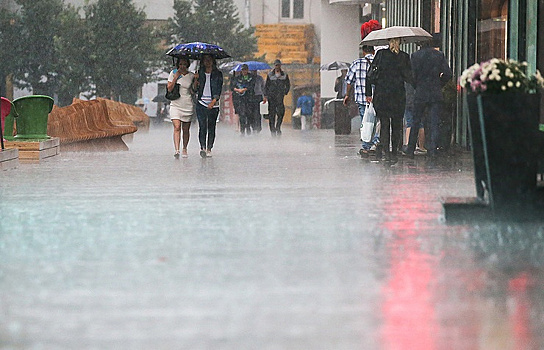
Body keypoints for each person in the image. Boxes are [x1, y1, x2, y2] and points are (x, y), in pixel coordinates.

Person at [366, 38, 413, 163]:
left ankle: (386, 152)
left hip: (382, 95)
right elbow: (409, 77)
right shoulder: (404, 57)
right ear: (400, 42)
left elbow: (370, 75)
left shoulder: (381, 55)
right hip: (398, 95)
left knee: (384, 125)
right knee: (397, 125)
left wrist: (368, 93)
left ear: (388, 42)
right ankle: (394, 153)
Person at [406, 34, 453, 159]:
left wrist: (417, 85)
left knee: (416, 121)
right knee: (434, 122)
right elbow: (448, 74)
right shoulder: (439, 55)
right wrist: (439, 83)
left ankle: (410, 149)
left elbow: (411, 76)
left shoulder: (415, 56)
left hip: (420, 92)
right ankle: (432, 150)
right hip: (435, 92)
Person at [344, 45, 378, 156]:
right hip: (378, 98)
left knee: (366, 122)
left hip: (363, 99)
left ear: (363, 52)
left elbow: (349, 81)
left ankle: (366, 146)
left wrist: (347, 95)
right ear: (373, 51)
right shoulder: (379, 62)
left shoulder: (356, 63)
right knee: (378, 121)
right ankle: (376, 143)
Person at [194, 54, 223, 158]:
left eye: (209, 59)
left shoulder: (218, 74)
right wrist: (196, 80)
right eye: (205, 60)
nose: (207, 62)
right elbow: (194, 90)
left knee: (211, 127)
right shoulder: (199, 73)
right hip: (201, 102)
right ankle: (202, 147)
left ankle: (209, 148)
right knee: (202, 126)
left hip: (213, 104)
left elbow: (219, 89)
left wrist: (214, 101)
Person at [167, 56, 196, 158]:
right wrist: (176, 77)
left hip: (187, 103)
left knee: (186, 129)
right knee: (177, 127)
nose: (182, 66)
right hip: (175, 104)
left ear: (187, 65)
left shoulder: (191, 75)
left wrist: (196, 81)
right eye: (180, 64)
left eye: (184, 64)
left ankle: (184, 148)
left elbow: (193, 90)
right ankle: (177, 150)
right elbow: (169, 89)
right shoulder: (173, 73)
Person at [265, 59, 290, 136]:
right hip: (271, 97)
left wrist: (285, 92)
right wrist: (266, 95)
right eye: (276, 65)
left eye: (278, 65)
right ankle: (272, 130)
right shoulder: (270, 75)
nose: (277, 67)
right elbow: (266, 86)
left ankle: (278, 126)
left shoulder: (284, 75)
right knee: (271, 114)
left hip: (280, 97)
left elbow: (288, 85)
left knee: (281, 112)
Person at [231, 64, 256, 136]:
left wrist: (244, 89)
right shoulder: (237, 78)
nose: (244, 71)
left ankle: (248, 128)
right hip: (240, 99)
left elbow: (252, 86)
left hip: (249, 98)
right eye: (243, 70)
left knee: (249, 114)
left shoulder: (251, 77)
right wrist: (238, 90)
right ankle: (242, 131)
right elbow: (233, 87)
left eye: (245, 70)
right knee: (242, 115)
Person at [402, 83, 426, 155]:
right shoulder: (419, 76)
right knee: (421, 124)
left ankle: (408, 145)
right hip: (419, 101)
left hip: (408, 100)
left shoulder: (406, 78)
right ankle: (421, 147)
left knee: (409, 122)